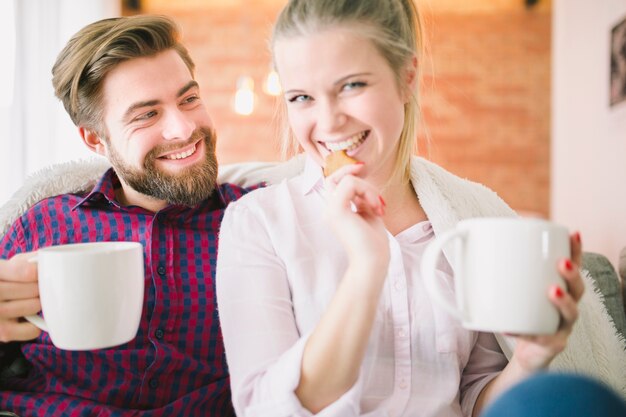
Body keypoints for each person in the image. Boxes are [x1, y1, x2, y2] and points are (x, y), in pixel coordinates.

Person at [215, 0, 588, 416]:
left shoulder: (465, 224)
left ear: (407, 77)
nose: (329, 121)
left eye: (352, 85)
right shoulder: (257, 223)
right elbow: (267, 409)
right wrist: (367, 265)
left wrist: (530, 358)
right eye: (302, 97)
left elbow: (474, 401)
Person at [0, 14, 246, 416]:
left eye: (189, 99)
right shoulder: (40, 225)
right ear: (95, 139)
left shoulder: (256, 220)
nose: (184, 129)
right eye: (147, 114)